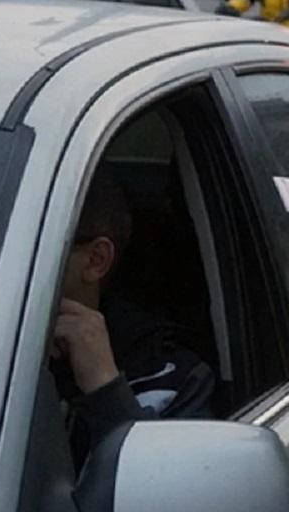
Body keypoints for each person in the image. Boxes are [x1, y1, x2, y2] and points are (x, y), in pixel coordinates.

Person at [51, 169, 215, 469]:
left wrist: (105, 391)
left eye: (31, 241)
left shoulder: (164, 372)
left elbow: (160, 488)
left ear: (96, 259)